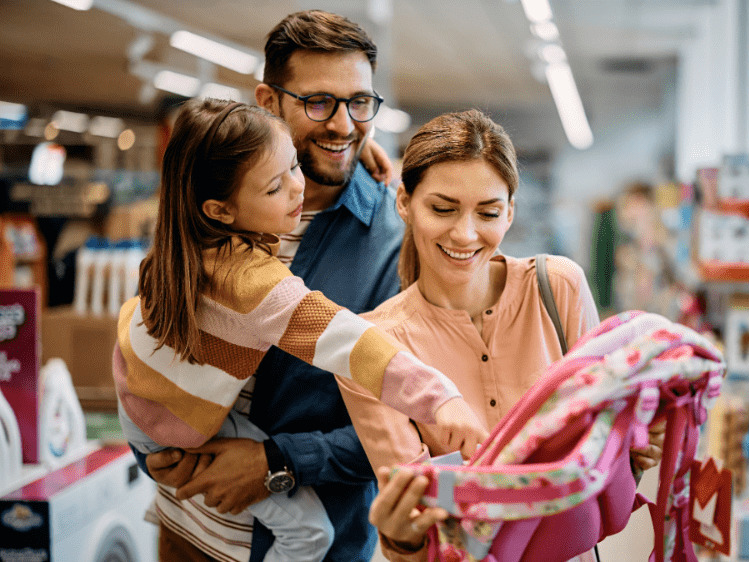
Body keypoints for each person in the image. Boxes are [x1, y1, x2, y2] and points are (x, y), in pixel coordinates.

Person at [115, 97, 487, 562]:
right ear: (221, 210)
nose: (298, 187)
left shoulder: (178, 244)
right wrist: (442, 398)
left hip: (139, 399)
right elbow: (353, 345)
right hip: (176, 436)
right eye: (276, 186)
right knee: (310, 534)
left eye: (294, 165)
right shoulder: (252, 283)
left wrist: (366, 152)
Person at [131, 11, 426, 562]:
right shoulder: (212, 203)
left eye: (359, 102)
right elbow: (157, 325)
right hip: (184, 525)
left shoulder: (394, 242)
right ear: (268, 101)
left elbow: (413, 425)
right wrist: (148, 443)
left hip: (305, 542)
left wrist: (278, 462)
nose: (343, 125)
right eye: (318, 102)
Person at [335, 109, 667, 561]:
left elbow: (602, 470)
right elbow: (419, 530)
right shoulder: (374, 348)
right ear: (404, 203)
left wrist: (631, 452)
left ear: (510, 212)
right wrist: (401, 538)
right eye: (442, 208)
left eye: (488, 212)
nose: (465, 233)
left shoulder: (558, 288)